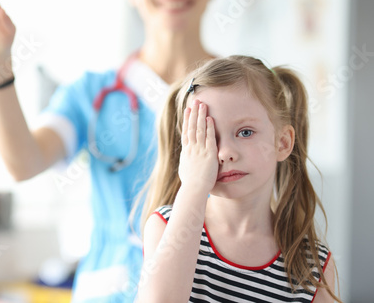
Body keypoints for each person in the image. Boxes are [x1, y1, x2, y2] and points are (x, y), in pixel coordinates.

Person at [0, 0, 219, 301]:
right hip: (112, 289)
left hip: (211, 285)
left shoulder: (245, 95)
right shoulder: (91, 93)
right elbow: (24, 162)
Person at [135, 55, 341, 302]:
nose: (225, 153)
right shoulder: (165, 226)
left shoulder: (314, 267)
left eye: (245, 132)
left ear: (283, 142)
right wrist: (195, 185)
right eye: (209, 138)